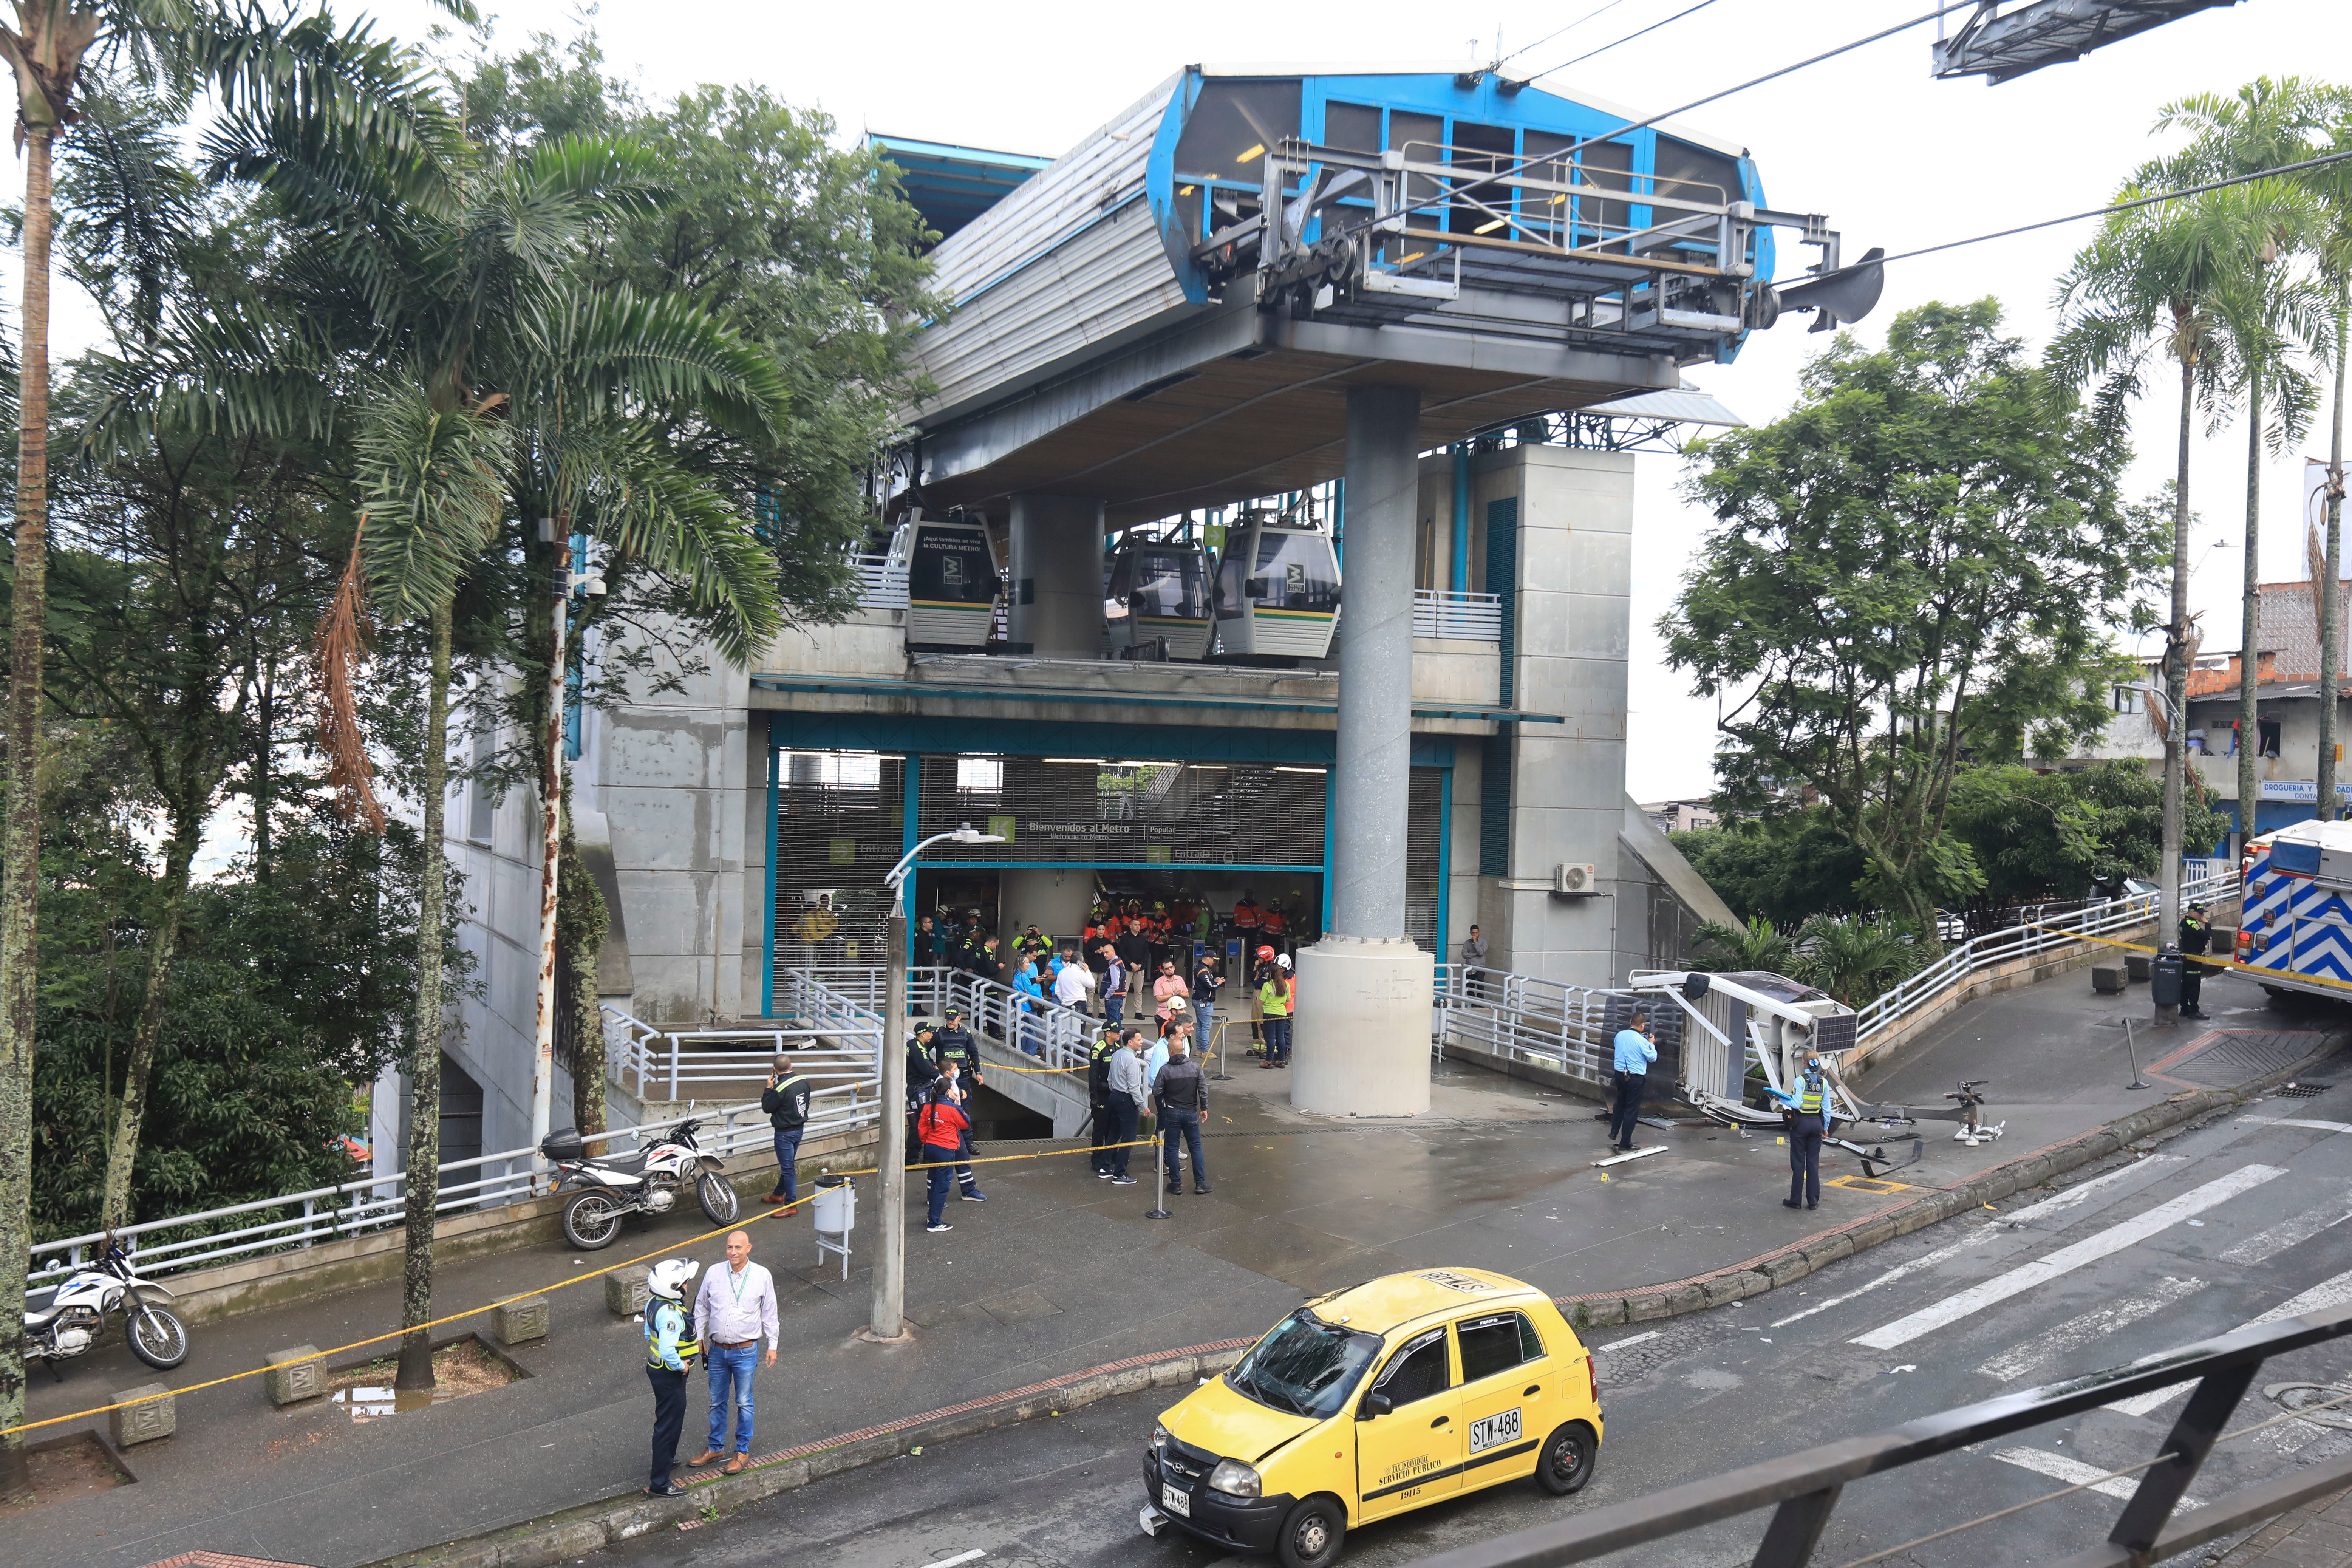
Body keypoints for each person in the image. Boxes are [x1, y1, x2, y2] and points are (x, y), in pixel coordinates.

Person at [686, 1229, 778, 1475]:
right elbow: (702, 1307)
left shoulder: (761, 1276)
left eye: (738, 1248)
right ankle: (715, 1448)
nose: (733, 1252)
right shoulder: (714, 1273)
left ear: (749, 1248)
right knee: (717, 1402)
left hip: (746, 1351)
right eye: (730, 1247)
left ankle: (742, 1451)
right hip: (717, 1351)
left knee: (744, 1402)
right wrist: (698, 1337)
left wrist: (773, 1344)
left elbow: (769, 1312)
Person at [642, 1257, 702, 1497]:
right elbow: (668, 1350)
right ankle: (660, 1483)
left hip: (657, 1371)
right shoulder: (671, 1315)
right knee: (669, 1425)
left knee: (665, 1420)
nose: (688, 1285)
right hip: (670, 1375)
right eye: (685, 1282)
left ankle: (667, 1460)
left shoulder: (654, 1303)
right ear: (674, 1287)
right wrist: (681, 1367)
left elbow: (649, 1334)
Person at [1768, 1045, 1830, 1210]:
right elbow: (1827, 1109)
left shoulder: (1800, 1080)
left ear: (1804, 1063)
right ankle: (1813, 1201)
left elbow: (1797, 1103)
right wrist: (1826, 1127)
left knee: (1798, 1163)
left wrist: (1782, 1100)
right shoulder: (1824, 1083)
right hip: (1817, 1124)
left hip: (1801, 1124)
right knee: (1813, 1163)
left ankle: (1795, 1201)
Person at [1154, 1035, 1211, 1195]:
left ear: (1171, 1051)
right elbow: (1203, 1090)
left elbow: (1156, 1091)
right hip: (1191, 1112)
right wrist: (1204, 1108)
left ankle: (1176, 1184)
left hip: (1172, 1112)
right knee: (1196, 1147)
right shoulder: (1195, 1068)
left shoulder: (1165, 1070)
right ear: (1184, 1051)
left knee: (1172, 1148)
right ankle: (1200, 1183)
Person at [915, 1081, 971, 1233]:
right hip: (946, 1149)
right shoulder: (952, 1108)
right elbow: (965, 1122)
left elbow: (922, 1127)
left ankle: (931, 1216)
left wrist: (927, 1141)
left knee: (934, 1182)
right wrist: (956, 1102)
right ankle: (934, 1222)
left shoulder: (928, 1106)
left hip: (931, 1147)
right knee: (942, 1185)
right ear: (948, 1092)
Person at [759, 1055, 813, 1206]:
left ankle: (791, 1205)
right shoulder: (803, 1081)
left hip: (784, 1133)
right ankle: (778, 1194)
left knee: (788, 1169)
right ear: (791, 1066)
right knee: (787, 1164)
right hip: (799, 1129)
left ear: (775, 1070)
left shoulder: (779, 1088)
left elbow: (767, 1108)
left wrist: (768, 1088)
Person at [1106, 1029, 1148, 1185]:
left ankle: (1105, 1167)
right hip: (1126, 1099)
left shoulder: (1117, 1055)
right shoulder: (1132, 1061)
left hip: (1115, 1096)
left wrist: (1116, 1092)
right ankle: (1120, 1174)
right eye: (1139, 1040)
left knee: (1114, 1133)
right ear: (1130, 1042)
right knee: (1129, 1137)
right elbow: (1134, 1088)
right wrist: (1144, 1106)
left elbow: (1110, 1080)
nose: (1142, 1042)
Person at [1610, 1009, 1656, 1152]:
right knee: (1631, 1110)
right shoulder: (1642, 1041)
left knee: (1620, 1103)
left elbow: (1619, 1046)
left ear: (1631, 1022)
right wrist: (1651, 1043)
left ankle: (1614, 1132)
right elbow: (1652, 1058)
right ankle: (1625, 1142)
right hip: (1635, 1078)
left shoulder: (1620, 1035)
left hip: (1619, 1075)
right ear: (1643, 1026)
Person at [1087, 1023, 1123, 1176]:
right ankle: (1096, 1159)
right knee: (1100, 1129)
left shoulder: (1117, 1048)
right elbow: (1093, 1075)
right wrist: (1094, 1096)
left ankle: (1111, 1155)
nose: (1119, 1034)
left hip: (1114, 1094)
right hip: (1102, 1095)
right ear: (1108, 1033)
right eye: (1116, 1032)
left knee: (1113, 1127)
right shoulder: (1098, 1049)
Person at [931, 1007, 983, 1095]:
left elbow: (974, 1053)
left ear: (959, 1018)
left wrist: (978, 1072)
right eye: (948, 1019)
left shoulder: (966, 1033)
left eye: (952, 1019)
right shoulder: (939, 1033)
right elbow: (924, 1050)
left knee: (965, 1105)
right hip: (945, 1078)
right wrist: (933, 1065)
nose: (950, 1022)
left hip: (963, 1077)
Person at [2180, 901, 2213, 1020]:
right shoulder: (2191, 923)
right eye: (2199, 914)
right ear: (2192, 913)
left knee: (2185, 985)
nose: (2202, 916)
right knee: (2194, 985)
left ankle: (2184, 1009)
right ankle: (2194, 1010)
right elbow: (2205, 936)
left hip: (2187, 957)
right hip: (2193, 959)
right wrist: (2208, 924)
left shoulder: (2184, 922)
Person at [1258, 959, 1293, 1068]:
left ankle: (1269, 1061)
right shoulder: (1286, 985)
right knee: (1281, 1037)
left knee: (1271, 1038)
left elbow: (1262, 1000)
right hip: (1282, 1013)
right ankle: (1282, 1060)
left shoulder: (1267, 985)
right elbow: (1288, 1000)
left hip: (1269, 1013)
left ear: (1270, 974)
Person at [1190, 951, 1223, 1064]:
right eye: (1213, 960)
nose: (1214, 962)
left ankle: (1200, 1049)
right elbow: (1210, 986)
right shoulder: (1203, 970)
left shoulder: (1200, 967)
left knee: (1200, 1025)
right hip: (1204, 1002)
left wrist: (1214, 981)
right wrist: (1218, 983)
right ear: (1209, 959)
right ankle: (1206, 1050)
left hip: (1199, 1001)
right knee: (1205, 1027)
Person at [1012, 954, 1045, 1056]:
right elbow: (1030, 990)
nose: (1029, 965)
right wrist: (1041, 999)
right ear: (1022, 964)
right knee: (1034, 1030)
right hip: (1028, 1007)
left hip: (1021, 1006)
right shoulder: (1024, 976)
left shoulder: (1017, 975)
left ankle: (1024, 1050)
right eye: (1027, 963)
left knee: (1025, 1029)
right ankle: (1031, 1052)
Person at [1115, 920, 1150, 1019]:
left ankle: (1138, 1012)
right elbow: (1122, 953)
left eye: (1139, 925)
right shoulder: (1125, 938)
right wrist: (1131, 964)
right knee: (1124, 991)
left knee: (1138, 991)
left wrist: (1140, 965)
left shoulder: (1143, 939)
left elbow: (1146, 953)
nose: (1138, 927)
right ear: (1131, 926)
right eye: (1136, 925)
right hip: (1127, 968)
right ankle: (1121, 1012)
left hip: (1140, 969)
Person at [1054, 945, 1094, 1015]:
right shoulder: (1080, 972)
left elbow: (1058, 991)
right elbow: (1092, 985)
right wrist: (1087, 971)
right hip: (1080, 1003)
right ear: (1079, 961)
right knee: (1080, 1026)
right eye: (1083, 961)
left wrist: (1064, 1001)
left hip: (1066, 1003)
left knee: (1067, 1025)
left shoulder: (1062, 972)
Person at [1152, 958, 1190, 1025]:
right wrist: (1173, 994)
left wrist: (1179, 994)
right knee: (1164, 1035)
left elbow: (1187, 995)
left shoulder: (1179, 979)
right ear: (1163, 971)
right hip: (1164, 1015)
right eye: (1167, 969)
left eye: (1171, 967)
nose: (1170, 970)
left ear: (1174, 968)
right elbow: (1159, 998)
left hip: (1179, 1015)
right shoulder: (1159, 982)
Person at [1099, 940, 1127, 1026]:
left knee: (1113, 1025)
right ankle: (1118, 1039)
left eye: (1107, 952)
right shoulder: (1120, 962)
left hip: (1114, 998)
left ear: (1113, 952)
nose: (1105, 955)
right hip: (1119, 996)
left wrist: (1107, 996)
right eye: (1104, 953)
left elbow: (1115, 984)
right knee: (1117, 1023)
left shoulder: (1114, 965)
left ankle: (1116, 1040)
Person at [1460, 924, 1489, 988]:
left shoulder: (1484, 942)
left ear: (1479, 932)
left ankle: (1480, 998)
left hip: (1480, 967)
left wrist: (1475, 942)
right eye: (1473, 933)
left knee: (1480, 986)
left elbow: (1481, 953)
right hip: (1470, 968)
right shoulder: (1467, 943)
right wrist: (1475, 954)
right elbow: (1464, 954)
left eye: (1477, 933)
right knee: (1470, 987)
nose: (1475, 935)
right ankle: (1471, 998)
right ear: (1471, 933)